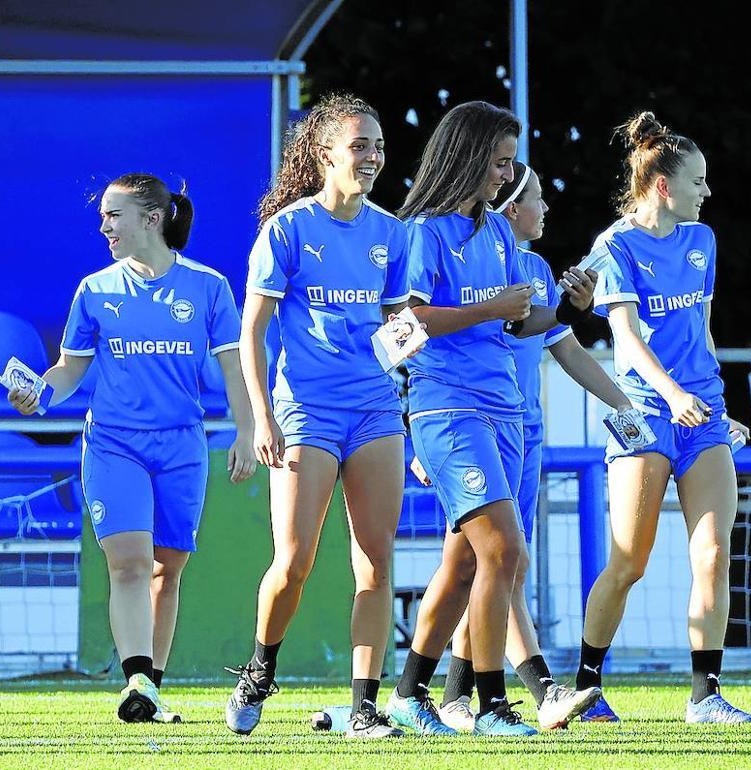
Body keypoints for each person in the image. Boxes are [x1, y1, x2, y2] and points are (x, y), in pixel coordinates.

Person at [8, 172, 256, 723]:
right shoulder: (94, 289)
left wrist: (247, 430)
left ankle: (151, 689)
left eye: (113, 215)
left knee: (168, 569)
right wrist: (39, 395)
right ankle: (136, 677)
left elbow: (233, 367)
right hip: (114, 445)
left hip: (182, 448)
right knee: (130, 563)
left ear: (152, 218)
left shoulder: (209, 286)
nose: (104, 227)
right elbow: (68, 371)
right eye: (103, 217)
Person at [383, 101, 596, 737]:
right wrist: (488, 308)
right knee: (505, 551)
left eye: (508, 164)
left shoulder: (498, 235)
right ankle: (494, 708)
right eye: (500, 162)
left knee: (466, 564)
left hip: (503, 409)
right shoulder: (424, 231)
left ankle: (407, 695)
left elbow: (519, 322)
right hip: (447, 408)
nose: (506, 177)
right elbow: (404, 326)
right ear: (469, 157)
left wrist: (568, 309)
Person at [222, 93, 416, 739]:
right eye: (360, 145)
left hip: (375, 411)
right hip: (305, 411)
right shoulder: (288, 228)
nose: (372, 157)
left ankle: (364, 704)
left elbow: (396, 327)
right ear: (326, 152)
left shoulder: (391, 232)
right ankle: (259, 670)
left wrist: (413, 357)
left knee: (377, 560)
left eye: (378, 146)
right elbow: (252, 332)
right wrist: (259, 419)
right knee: (295, 562)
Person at [573, 112, 751, 724]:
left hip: (700, 413)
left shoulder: (702, 241)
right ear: (661, 186)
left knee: (712, 554)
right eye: (698, 181)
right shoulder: (615, 246)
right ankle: (586, 686)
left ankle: (705, 697)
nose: (708, 192)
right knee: (629, 560)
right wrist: (672, 395)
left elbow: (701, 330)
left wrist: (714, 407)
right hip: (645, 412)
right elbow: (623, 337)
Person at [432, 161, 630, 731]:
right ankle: (540, 691)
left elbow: (565, 349)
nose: (548, 209)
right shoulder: (465, 258)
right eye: (538, 199)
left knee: (490, 565)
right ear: (510, 208)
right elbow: (414, 334)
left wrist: (623, 404)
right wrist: (424, 436)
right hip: (469, 427)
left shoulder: (538, 270)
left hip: (521, 433)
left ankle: (446, 694)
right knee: (497, 562)